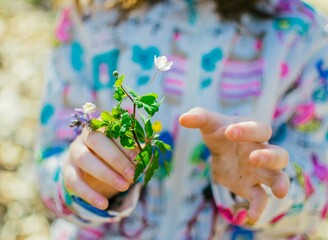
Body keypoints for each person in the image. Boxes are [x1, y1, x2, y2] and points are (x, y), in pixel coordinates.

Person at [36, 0, 328, 239]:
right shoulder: (95, 13)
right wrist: (86, 181)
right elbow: (49, 163)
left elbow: (317, 201)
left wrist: (257, 187)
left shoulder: (304, 38)